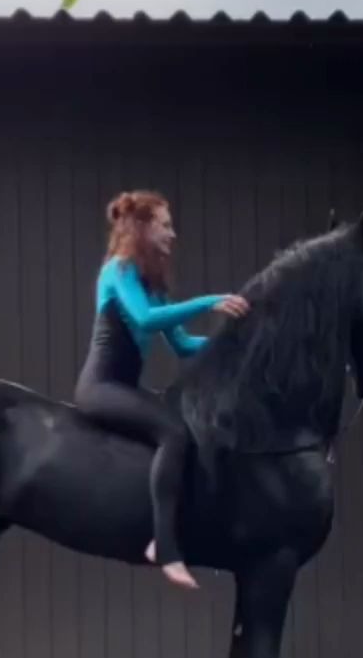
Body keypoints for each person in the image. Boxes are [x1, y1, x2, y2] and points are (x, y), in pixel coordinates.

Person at [74, 190, 249, 589]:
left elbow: (184, 346)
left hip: (124, 386)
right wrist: (210, 301)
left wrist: (235, 345)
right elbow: (145, 319)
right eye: (165, 225)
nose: (173, 234)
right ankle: (164, 547)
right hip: (100, 387)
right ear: (142, 228)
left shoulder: (153, 286)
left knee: (185, 425)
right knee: (172, 431)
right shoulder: (117, 271)